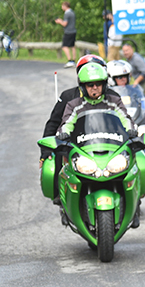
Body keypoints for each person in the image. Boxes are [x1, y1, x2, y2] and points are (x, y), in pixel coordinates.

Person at [39, 55, 121, 201]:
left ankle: (134, 202)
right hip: (77, 145)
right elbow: (53, 123)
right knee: (59, 152)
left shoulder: (113, 96)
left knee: (132, 160)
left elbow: (124, 121)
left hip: (109, 144)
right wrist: (45, 152)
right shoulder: (68, 96)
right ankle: (60, 195)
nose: (94, 86)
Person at [55, 1, 77, 68]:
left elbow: (65, 24)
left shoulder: (67, 13)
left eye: (62, 6)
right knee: (72, 46)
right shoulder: (72, 12)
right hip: (73, 31)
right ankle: (73, 60)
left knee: (64, 46)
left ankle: (70, 60)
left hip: (68, 32)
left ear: (65, 6)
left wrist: (59, 21)